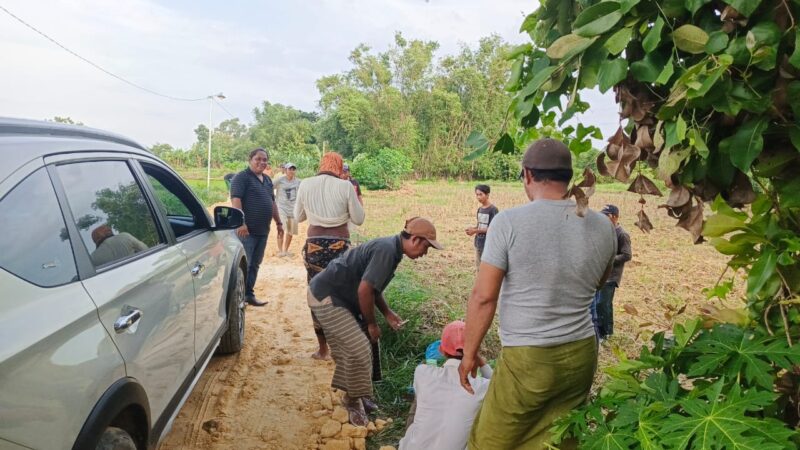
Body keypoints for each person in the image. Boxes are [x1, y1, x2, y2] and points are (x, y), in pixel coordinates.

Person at [457, 138, 617, 449]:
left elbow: (484, 297)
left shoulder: (508, 223)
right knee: (557, 439)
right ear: (567, 177)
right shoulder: (602, 226)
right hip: (582, 351)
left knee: (490, 440)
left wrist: (469, 352)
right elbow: (600, 284)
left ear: (528, 175)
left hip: (529, 358)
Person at [307, 217, 443, 426]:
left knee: (368, 341)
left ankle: (360, 393)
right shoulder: (387, 251)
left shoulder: (393, 249)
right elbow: (364, 290)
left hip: (341, 297)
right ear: (415, 240)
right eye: (426, 247)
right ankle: (352, 400)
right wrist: (371, 324)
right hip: (326, 297)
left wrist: (387, 313)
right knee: (359, 345)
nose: (425, 253)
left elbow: (372, 287)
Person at [295, 152, 365, 359]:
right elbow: (359, 219)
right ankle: (341, 349)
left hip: (314, 246)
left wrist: (316, 211)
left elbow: (298, 216)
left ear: (321, 165)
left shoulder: (306, 184)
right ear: (339, 166)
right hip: (340, 246)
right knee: (342, 295)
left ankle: (323, 349)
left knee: (316, 294)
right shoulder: (345, 186)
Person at [399, 320, 492, 450]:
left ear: (442, 350)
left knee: (421, 400)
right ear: (476, 351)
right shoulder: (483, 386)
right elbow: (499, 388)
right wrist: (479, 361)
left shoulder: (422, 373)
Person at [230, 148, 284, 307]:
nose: (261, 162)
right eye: (258, 159)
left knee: (255, 263)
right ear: (250, 160)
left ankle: (248, 294)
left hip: (263, 230)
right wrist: (241, 222)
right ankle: (238, 298)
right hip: (246, 231)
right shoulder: (242, 177)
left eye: (264, 159)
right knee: (244, 264)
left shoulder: (267, 180)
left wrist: (279, 223)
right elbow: (236, 200)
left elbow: (272, 203)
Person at [592, 204, 632, 341]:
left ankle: (606, 332)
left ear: (615, 217)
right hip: (600, 274)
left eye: (606, 216)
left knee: (603, 304)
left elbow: (627, 255)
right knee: (597, 303)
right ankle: (599, 329)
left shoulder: (622, 234)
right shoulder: (604, 231)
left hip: (612, 276)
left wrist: (609, 259)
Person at [465, 184, 499, 270]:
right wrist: (473, 229)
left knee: (486, 268)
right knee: (478, 267)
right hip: (479, 243)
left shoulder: (493, 210)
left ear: (487, 195)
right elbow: (479, 225)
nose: (478, 197)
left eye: (481, 194)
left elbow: (493, 228)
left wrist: (475, 231)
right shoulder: (480, 209)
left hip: (488, 244)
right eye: (477, 194)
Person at [274, 162, 301, 257]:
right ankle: (280, 250)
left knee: (291, 231)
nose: (292, 171)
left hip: (293, 209)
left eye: (293, 169)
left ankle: (286, 250)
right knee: (281, 228)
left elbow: (303, 193)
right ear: (285, 170)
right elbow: (269, 187)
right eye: (290, 169)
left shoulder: (298, 182)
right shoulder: (279, 180)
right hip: (281, 208)